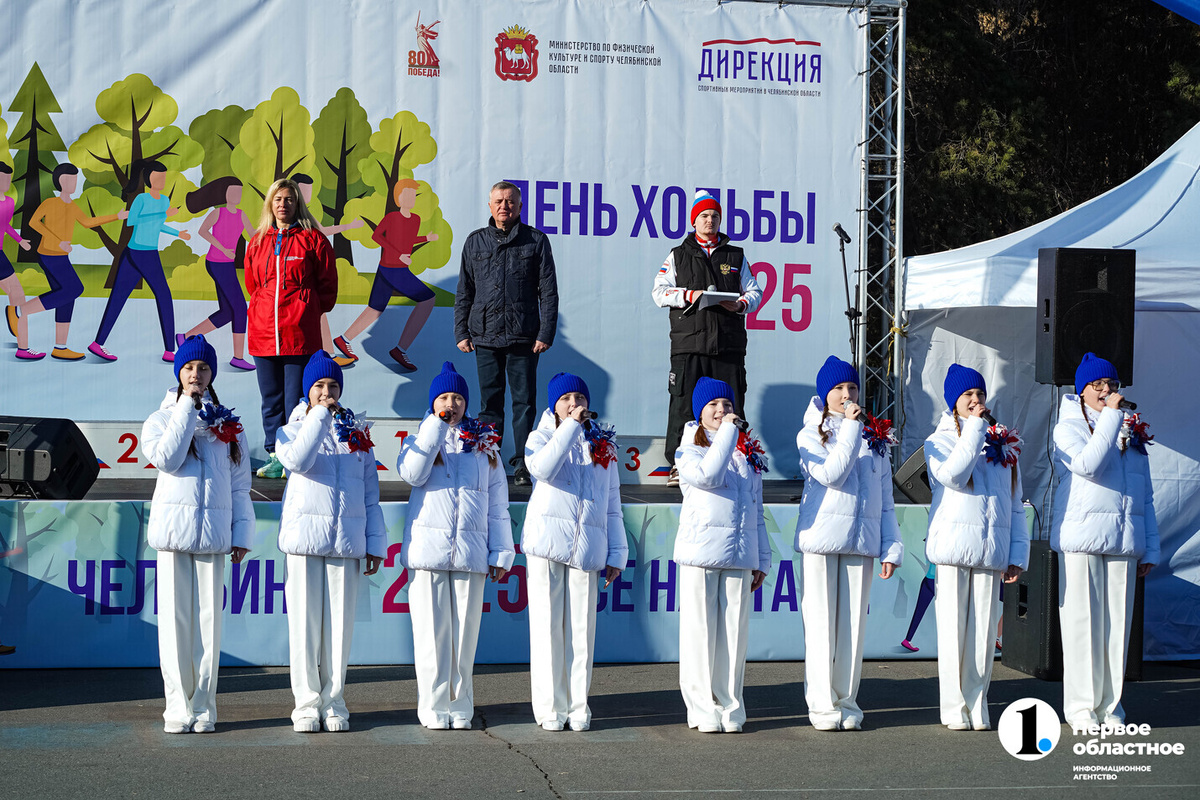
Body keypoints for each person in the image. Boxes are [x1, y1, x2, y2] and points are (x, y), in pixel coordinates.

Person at [140, 334, 253, 733]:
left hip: (214, 535)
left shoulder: (229, 425)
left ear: (212, 374)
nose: (196, 374)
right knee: (174, 626)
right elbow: (168, 458)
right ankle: (177, 709)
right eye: (189, 368)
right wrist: (186, 406)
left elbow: (241, 484)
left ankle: (204, 708)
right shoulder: (159, 419)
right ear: (178, 373)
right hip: (173, 536)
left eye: (203, 368)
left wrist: (242, 532)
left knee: (208, 626)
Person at [397, 361, 515, 730]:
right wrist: (436, 425)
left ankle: (460, 704)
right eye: (445, 397)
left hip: (470, 552)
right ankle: (433, 706)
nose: (452, 404)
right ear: (433, 403)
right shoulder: (418, 438)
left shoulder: (484, 445)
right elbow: (412, 474)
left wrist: (501, 551)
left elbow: (498, 503)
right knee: (432, 638)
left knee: (464, 637)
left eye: (459, 397)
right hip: (429, 553)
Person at [275, 351, 384, 733]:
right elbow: (298, 461)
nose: (327, 392)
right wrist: (318, 416)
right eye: (319, 386)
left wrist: (375, 542)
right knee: (305, 626)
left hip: (347, 541)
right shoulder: (290, 430)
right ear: (308, 391)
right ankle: (306, 704)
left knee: (340, 627)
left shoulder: (356, 433)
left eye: (333, 386)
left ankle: (334, 699)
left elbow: (371, 490)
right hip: (304, 542)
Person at [795, 356, 902, 731]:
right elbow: (832, 474)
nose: (846, 394)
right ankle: (823, 705)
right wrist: (852, 428)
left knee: (853, 629)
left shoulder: (874, 438)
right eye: (838, 389)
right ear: (825, 395)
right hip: (822, 541)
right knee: (822, 625)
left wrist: (891, 546)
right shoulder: (811, 434)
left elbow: (885, 498)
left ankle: (847, 702)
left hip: (862, 541)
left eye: (852, 388)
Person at [1051, 353, 1159, 727]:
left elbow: (1144, 494)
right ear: (1081, 391)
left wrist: (1150, 545)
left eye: (1111, 385)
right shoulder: (1068, 427)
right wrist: (1112, 419)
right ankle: (1081, 708)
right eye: (1097, 386)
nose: (1106, 391)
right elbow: (1088, 466)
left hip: (1123, 540)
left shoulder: (1129, 431)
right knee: (1082, 624)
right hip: (1082, 537)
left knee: (1117, 628)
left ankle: (1111, 707)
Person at [924, 364, 1029, 731]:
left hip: (991, 551)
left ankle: (977, 704)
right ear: (953, 402)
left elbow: (1016, 502)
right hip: (954, 549)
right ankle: (954, 707)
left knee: (983, 636)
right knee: (954, 631)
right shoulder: (938, 440)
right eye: (968, 395)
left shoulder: (1001, 443)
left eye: (980, 395)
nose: (975, 401)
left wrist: (1017, 553)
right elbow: (953, 475)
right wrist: (973, 430)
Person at [522, 372, 626, 731]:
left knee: (582, 631)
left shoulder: (603, 445)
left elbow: (613, 501)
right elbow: (542, 468)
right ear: (554, 405)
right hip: (547, 544)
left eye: (579, 399)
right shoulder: (541, 437)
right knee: (549, 629)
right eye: (565, 398)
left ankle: (579, 707)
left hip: (588, 547)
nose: (574, 405)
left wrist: (617, 552)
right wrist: (568, 428)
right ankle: (551, 708)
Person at [674, 377, 771, 733]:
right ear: (700, 412)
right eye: (713, 405)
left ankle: (730, 706)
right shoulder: (688, 450)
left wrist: (762, 558)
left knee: (733, 634)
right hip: (701, 554)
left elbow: (756, 508)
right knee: (700, 633)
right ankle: (701, 708)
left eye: (727, 405)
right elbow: (708, 476)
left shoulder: (747, 454)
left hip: (740, 555)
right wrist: (729, 436)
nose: (721, 411)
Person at [652, 191, 762, 487]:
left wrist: (740, 304)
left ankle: (739, 460)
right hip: (690, 345)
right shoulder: (678, 254)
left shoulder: (735, 255)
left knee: (731, 405)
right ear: (694, 221)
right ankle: (677, 465)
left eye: (714, 216)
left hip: (728, 344)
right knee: (684, 406)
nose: (710, 220)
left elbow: (755, 292)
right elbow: (659, 292)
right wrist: (689, 295)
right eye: (704, 216)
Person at [455, 181, 558, 486]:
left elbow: (549, 292)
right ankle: (490, 459)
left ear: (520, 206)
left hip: (524, 337)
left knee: (524, 403)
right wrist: (461, 330)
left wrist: (546, 332)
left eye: (510, 201)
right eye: (499, 201)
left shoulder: (536, 241)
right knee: (490, 402)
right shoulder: (475, 242)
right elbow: (464, 291)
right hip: (484, 336)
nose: (504, 206)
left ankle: (525, 463)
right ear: (490, 206)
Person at [243, 178, 338, 479]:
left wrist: (305, 309)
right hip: (263, 334)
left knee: (297, 401)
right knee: (270, 401)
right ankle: (275, 456)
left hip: (300, 334)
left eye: (289, 199)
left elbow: (328, 287)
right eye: (278, 199)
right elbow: (253, 286)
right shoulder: (257, 242)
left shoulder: (313, 240)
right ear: (270, 204)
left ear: (298, 204)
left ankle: (297, 455)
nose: (283, 204)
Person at [16, 163, 126, 360]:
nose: (73, 183)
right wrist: (58, 242)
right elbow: (33, 222)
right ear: (59, 181)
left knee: (66, 297)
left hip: (61, 255)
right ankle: (18, 311)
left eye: (75, 179)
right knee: (74, 289)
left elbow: (87, 222)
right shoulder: (50, 203)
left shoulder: (72, 206)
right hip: (49, 254)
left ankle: (60, 347)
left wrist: (116, 216)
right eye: (69, 179)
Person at [90, 160, 190, 363]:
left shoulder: (163, 201)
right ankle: (169, 351)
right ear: (148, 178)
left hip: (144, 253)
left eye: (163, 176)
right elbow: (133, 221)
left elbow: (157, 225)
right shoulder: (142, 199)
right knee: (163, 295)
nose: (161, 180)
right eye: (157, 176)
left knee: (120, 296)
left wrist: (178, 232)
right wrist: (163, 214)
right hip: (139, 253)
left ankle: (97, 343)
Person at [335, 178, 439, 371]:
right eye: (406, 194)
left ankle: (343, 339)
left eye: (412, 195)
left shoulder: (415, 219)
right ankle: (400, 349)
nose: (410, 198)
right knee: (428, 299)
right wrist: (398, 254)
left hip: (392, 268)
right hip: (392, 268)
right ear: (398, 198)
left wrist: (426, 238)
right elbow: (377, 236)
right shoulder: (392, 217)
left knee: (375, 307)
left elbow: (407, 239)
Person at [177, 177, 256, 370]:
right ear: (225, 193)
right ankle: (238, 357)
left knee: (228, 312)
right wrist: (222, 248)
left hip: (227, 264)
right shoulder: (218, 213)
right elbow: (203, 232)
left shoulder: (241, 214)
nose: (237, 195)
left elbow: (253, 235)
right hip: (215, 263)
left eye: (239, 192)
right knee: (239, 308)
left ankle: (185, 337)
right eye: (233, 191)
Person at [289, 173, 363, 369]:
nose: (308, 195)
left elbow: (323, 231)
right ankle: (326, 353)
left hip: (309, 277)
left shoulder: (306, 215)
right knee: (314, 313)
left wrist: (350, 225)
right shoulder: (288, 215)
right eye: (303, 191)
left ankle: (327, 352)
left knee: (319, 311)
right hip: (295, 281)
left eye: (309, 191)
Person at [1, 162, 34, 352]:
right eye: (1, 178)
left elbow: (5, 225)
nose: (5, 182)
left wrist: (20, 240)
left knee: (18, 294)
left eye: (8, 178)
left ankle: (23, 347)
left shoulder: (9, 202)